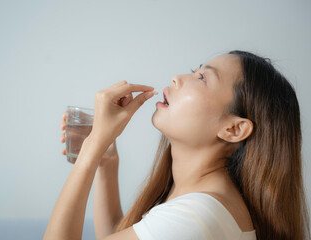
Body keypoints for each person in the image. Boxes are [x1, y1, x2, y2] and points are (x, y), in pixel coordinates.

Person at [43, 50, 310, 240]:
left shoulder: (198, 217)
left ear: (234, 129)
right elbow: (118, 234)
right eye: (196, 71)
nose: (177, 78)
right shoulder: (200, 208)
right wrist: (106, 160)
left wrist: (91, 148)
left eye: (203, 79)